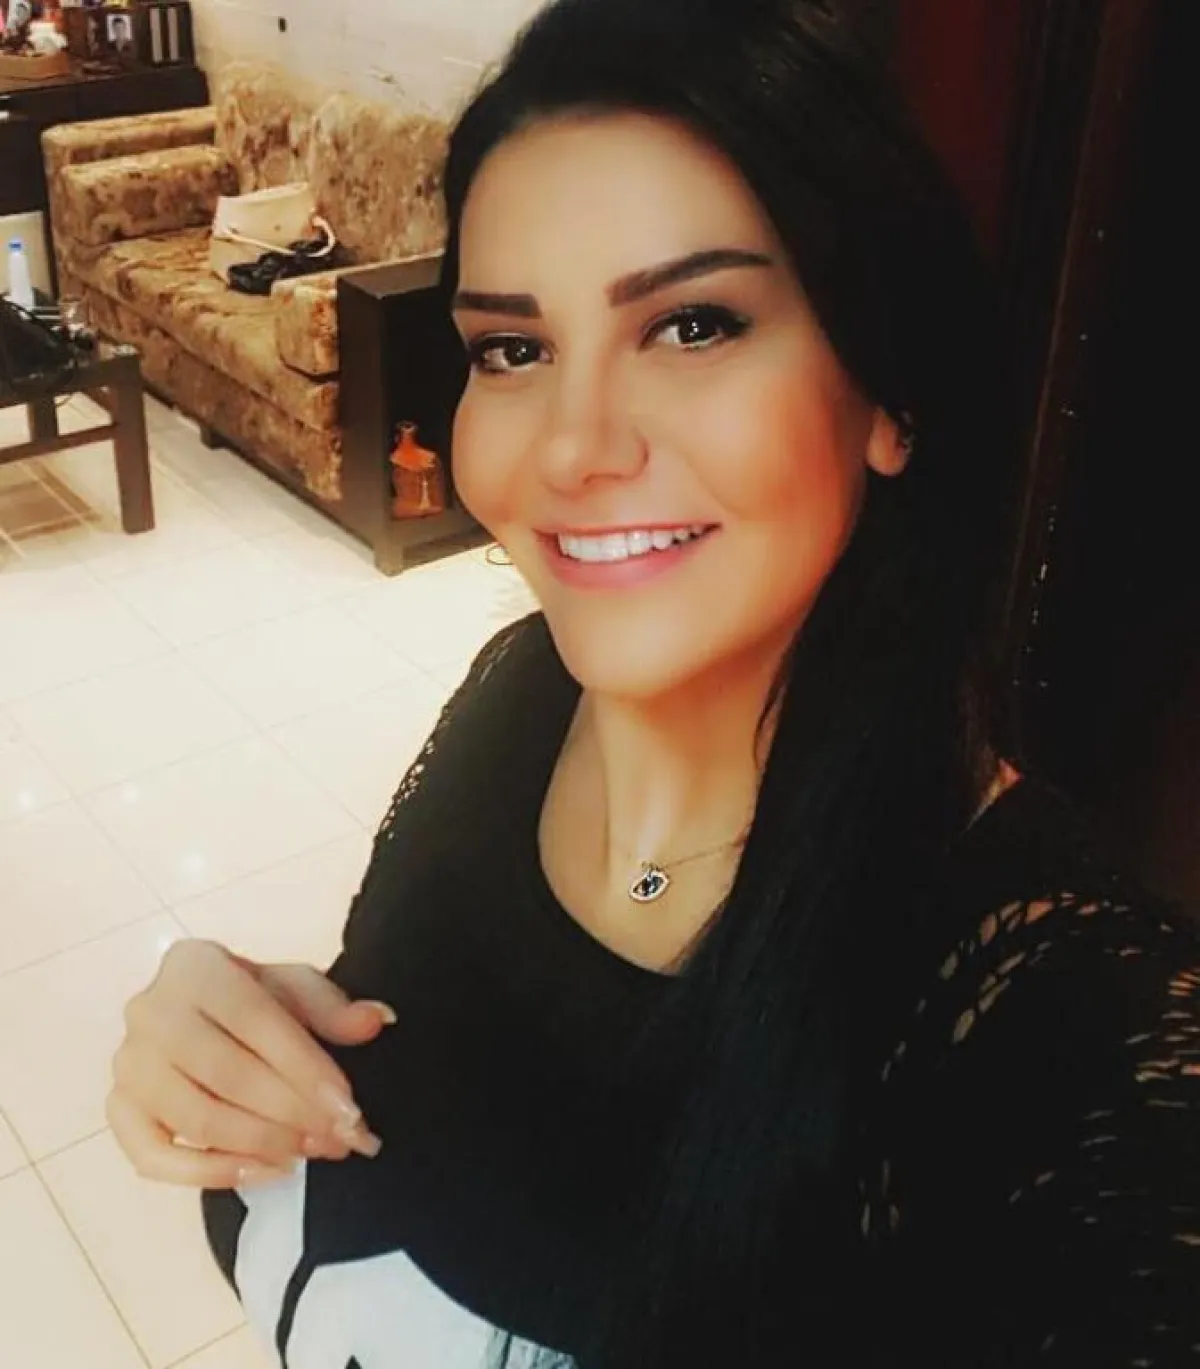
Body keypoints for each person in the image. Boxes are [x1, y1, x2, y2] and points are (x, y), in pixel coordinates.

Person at [107, 1, 1200, 1364]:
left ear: (889, 396)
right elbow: (402, 1103)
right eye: (513, 348)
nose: (574, 449)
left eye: (692, 325)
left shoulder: (1067, 1028)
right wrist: (235, 1053)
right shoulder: (514, 704)